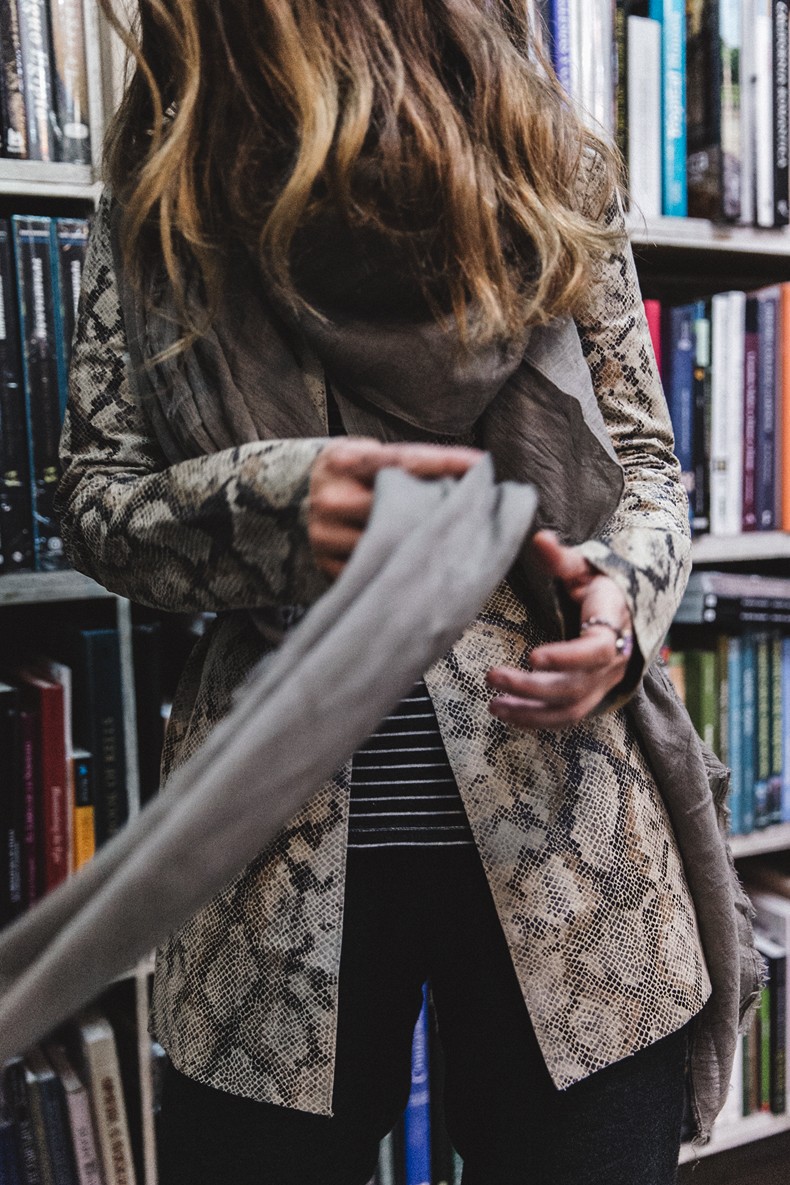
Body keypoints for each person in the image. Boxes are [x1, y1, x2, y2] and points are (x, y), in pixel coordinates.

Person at [56, 2, 758, 1183]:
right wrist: (272, 503)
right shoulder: (170, 180)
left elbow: (644, 468)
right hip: (271, 866)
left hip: (572, 847)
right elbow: (90, 493)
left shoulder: (552, 162)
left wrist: (619, 603)